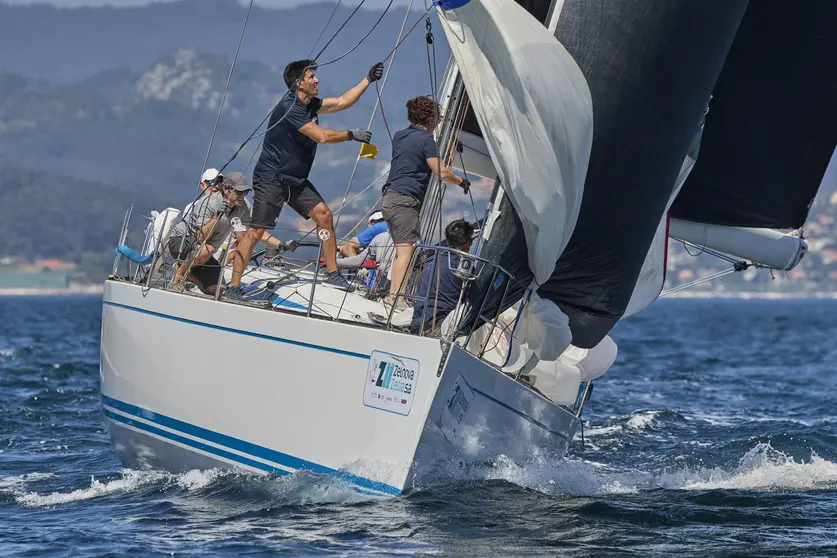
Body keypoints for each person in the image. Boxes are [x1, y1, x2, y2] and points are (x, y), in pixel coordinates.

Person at [225, 58, 385, 298]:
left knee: (324, 216)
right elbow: (321, 136)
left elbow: (342, 102)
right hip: (272, 178)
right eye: (311, 77)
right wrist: (351, 134)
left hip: (295, 180)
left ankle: (333, 272)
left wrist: (368, 79)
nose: (317, 79)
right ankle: (234, 286)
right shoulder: (290, 108)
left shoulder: (310, 103)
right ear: (299, 83)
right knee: (257, 232)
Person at [382, 96, 471, 309]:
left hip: (389, 198)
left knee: (401, 252)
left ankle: (392, 297)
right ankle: (397, 300)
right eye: (438, 119)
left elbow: (415, 159)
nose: (439, 122)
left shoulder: (400, 136)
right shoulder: (426, 141)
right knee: (407, 253)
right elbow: (440, 172)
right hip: (406, 200)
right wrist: (460, 181)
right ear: (430, 118)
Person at [169, 172, 296, 295]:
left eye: (245, 192)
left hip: (206, 252)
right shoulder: (209, 202)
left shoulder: (244, 207)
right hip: (181, 241)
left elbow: (255, 232)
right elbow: (200, 237)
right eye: (238, 192)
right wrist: (217, 216)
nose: (242, 196)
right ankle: (179, 274)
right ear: (226, 190)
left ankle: (189, 275)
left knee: (218, 289)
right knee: (207, 249)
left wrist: (281, 244)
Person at [409, 219, 474, 335]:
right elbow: (475, 297)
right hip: (436, 325)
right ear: (467, 243)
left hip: (418, 322)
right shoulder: (463, 266)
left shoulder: (435, 259)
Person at [336, 228, 396, 293]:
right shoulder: (380, 238)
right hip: (378, 291)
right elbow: (359, 260)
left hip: (400, 294)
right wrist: (333, 262)